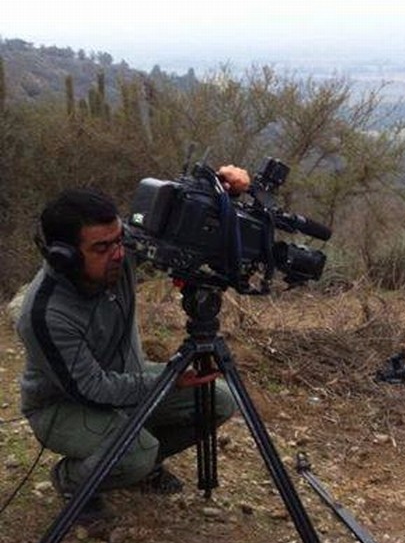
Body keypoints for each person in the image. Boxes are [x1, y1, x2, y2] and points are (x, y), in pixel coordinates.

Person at [17, 166, 251, 521]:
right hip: (62, 405)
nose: (119, 253)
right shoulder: (45, 312)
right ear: (64, 256)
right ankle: (73, 480)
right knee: (135, 454)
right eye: (102, 247)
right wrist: (164, 381)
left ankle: (136, 458)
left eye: (118, 239)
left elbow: (179, 220)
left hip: (126, 378)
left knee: (217, 401)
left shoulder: (118, 250)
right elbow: (91, 388)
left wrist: (225, 190)